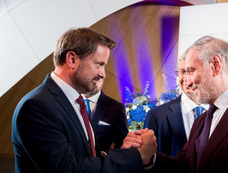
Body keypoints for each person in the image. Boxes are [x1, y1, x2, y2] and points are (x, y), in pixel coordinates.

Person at [124, 35, 228, 173]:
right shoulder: (201, 121)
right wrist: (148, 157)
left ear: (215, 65)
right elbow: (184, 167)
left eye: (190, 71)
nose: (186, 81)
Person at [11, 27, 156, 173]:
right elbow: (68, 169)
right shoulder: (36, 106)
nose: (103, 74)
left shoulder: (74, 101)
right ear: (72, 60)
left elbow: (87, 157)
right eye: (99, 64)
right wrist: (135, 156)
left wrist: (125, 150)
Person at [144, 53, 208, 157]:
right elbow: (147, 160)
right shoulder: (156, 116)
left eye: (191, 72)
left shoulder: (221, 113)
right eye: (182, 72)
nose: (186, 78)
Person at [82, 79, 128, 151]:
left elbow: (121, 145)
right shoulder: (69, 100)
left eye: (96, 79)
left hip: (97, 160)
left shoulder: (117, 109)